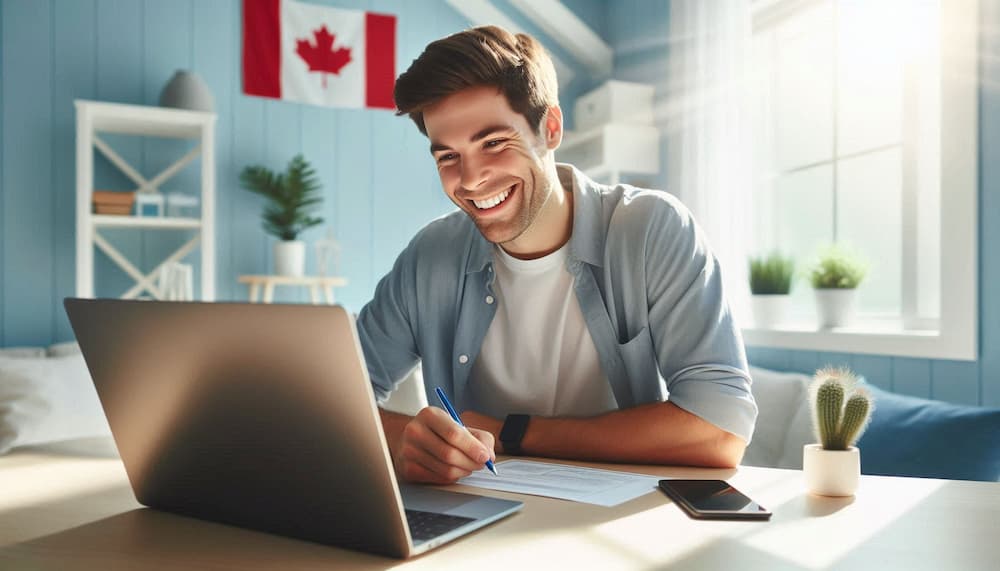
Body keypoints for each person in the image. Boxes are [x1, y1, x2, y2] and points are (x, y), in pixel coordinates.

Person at [356, 26, 757, 485]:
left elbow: (721, 431)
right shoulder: (430, 256)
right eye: (448, 156)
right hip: (473, 519)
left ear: (550, 129)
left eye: (493, 143)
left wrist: (513, 434)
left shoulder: (651, 229)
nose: (470, 180)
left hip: (618, 529)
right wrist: (404, 436)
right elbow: (339, 400)